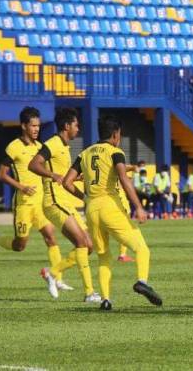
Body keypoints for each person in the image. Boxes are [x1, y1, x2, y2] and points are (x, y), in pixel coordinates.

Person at [62, 115, 163, 310]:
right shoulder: (115, 152)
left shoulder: (84, 153)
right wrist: (139, 207)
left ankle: (106, 300)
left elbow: (66, 182)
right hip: (110, 206)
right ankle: (142, 280)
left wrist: (84, 197)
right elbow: (124, 179)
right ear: (116, 134)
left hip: (91, 209)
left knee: (103, 256)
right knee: (142, 248)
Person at [0, 107, 73, 292]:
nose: (36, 129)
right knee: (20, 245)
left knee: (51, 237)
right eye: (33, 126)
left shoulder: (41, 148)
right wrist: (21, 186)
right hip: (23, 204)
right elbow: (1, 174)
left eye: (38, 126)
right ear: (24, 126)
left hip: (41, 203)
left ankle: (57, 278)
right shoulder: (13, 147)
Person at [27, 107, 99, 302]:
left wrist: (84, 195)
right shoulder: (53, 143)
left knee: (89, 245)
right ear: (67, 126)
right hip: (53, 202)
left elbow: (65, 181)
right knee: (82, 243)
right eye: (76, 124)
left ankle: (52, 272)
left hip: (65, 202)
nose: (78, 128)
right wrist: (52, 175)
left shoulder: (65, 147)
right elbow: (33, 164)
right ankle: (89, 293)